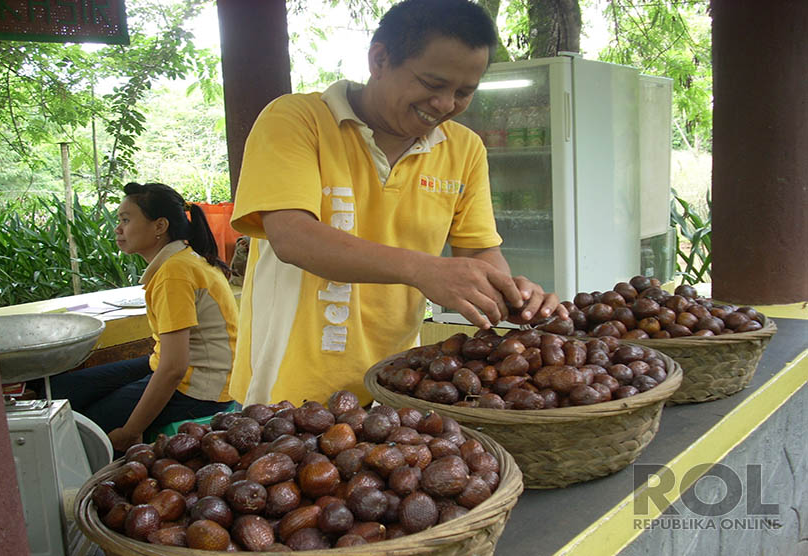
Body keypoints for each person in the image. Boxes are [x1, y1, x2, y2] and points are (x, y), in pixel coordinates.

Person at [229, 0, 568, 408]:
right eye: (432, 83)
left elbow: (479, 249)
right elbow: (292, 237)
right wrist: (425, 269)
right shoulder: (296, 119)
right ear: (379, 58)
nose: (446, 104)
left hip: (397, 383)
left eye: (464, 92)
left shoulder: (464, 148)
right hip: (287, 386)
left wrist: (508, 295)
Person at [50, 182, 239, 452]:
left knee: (86, 425)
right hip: (182, 366)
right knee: (64, 389)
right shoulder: (182, 261)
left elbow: (174, 368)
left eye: (126, 220)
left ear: (160, 226)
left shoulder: (176, 272)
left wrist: (130, 432)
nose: (118, 229)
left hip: (201, 389)